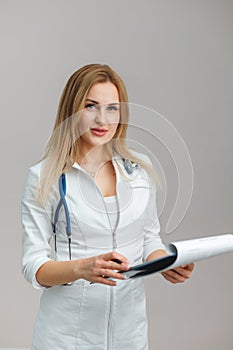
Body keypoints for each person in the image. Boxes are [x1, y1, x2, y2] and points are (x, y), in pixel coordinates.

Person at [21, 63, 194, 350]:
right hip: (66, 336)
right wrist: (80, 269)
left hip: (129, 333)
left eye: (112, 108)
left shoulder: (139, 170)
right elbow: (33, 266)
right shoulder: (44, 177)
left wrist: (166, 262)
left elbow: (150, 237)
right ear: (72, 110)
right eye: (91, 106)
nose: (102, 119)